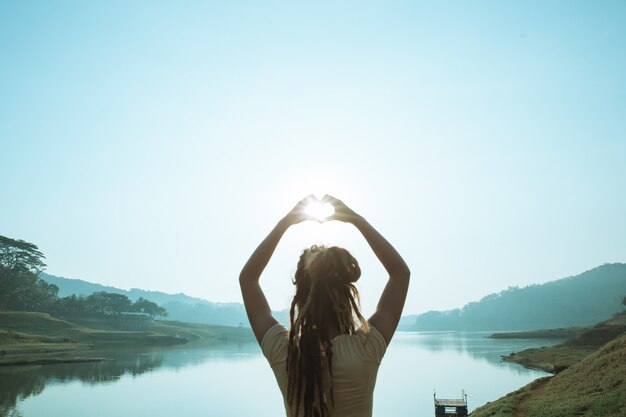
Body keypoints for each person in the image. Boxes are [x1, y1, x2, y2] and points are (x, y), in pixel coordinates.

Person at [240, 195, 410, 417]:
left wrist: (285, 223)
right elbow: (400, 274)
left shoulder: (285, 353)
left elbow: (248, 279)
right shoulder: (365, 349)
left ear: (300, 298)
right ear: (346, 298)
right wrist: (356, 219)